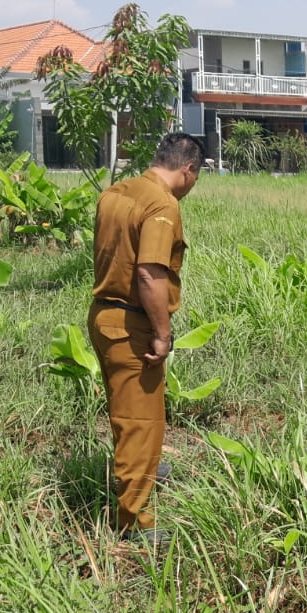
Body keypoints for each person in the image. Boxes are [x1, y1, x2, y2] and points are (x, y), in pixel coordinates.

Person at [87, 132, 203, 545]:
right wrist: (162, 334)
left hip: (103, 317)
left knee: (129, 410)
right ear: (188, 170)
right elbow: (149, 273)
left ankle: (144, 470)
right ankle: (134, 521)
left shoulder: (116, 192)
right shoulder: (162, 204)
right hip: (133, 323)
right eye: (196, 177)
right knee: (140, 420)